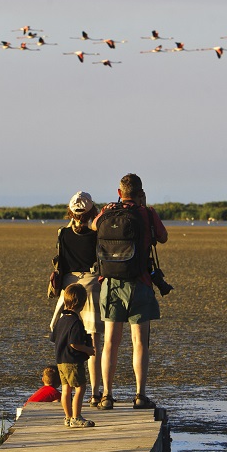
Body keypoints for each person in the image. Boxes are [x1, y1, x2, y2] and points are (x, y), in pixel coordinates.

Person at [92, 173, 168, 411]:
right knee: (139, 343)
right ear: (141, 193)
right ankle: (139, 395)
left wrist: (108, 210)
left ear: (119, 192)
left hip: (111, 283)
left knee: (110, 343)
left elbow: (94, 226)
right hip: (140, 283)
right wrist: (145, 209)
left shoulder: (107, 212)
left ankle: (106, 395)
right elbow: (163, 237)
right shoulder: (147, 213)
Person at [49, 191, 104, 406]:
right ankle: (95, 393)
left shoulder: (62, 233)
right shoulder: (96, 234)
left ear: (71, 210)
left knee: (67, 338)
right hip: (92, 285)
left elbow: (60, 262)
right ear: (92, 210)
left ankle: (69, 391)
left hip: (68, 288)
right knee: (93, 343)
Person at [50, 283, 97, 428]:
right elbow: (74, 344)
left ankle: (68, 417)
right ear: (82, 304)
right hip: (72, 361)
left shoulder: (61, 320)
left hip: (60, 360)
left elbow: (54, 338)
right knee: (80, 387)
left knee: (66, 389)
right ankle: (76, 417)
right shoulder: (75, 322)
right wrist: (88, 350)